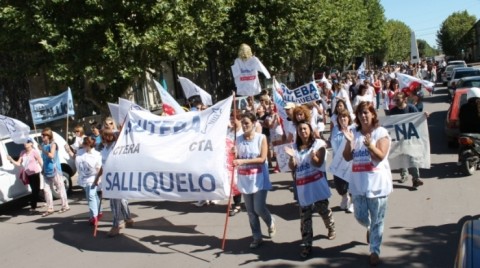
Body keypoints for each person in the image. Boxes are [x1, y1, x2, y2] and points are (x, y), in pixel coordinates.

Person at [342, 101, 393, 266]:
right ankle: (369, 228)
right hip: (358, 184)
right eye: (360, 113)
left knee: (378, 219)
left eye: (366, 112)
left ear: (373, 114)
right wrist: (349, 143)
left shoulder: (381, 132)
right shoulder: (354, 133)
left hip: (377, 184)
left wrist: (370, 145)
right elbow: (347, 157)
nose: (363, 116)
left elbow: (380, 156)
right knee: (360, 216)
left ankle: (374, 251)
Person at [285, 121, 335, 258]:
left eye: (305, 128)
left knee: (323, 210)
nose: (303, 131)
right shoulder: (294, 147)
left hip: (317, 185)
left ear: (310, 130)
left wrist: (314, 157)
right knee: (305, 219)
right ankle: (307, 245)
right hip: (303, 187)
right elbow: (293, 167)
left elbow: (319, 163)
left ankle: (330, 226)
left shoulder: (318, 144)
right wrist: (291, 158)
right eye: (300, 129)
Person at [233, 111, 275, 249]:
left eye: (247, 123)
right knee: (250, 211)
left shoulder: (261, 138)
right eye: (243, 123)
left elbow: (262, 159)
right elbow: (235, 158)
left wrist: (242, 161)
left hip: (259, 179)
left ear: (253, 123)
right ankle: (257, 237)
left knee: (259, 208)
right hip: (245, 179)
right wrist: (233, 153)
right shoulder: (238, 139)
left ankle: (270, 221)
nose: (244, 126)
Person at [94, 128, 134, 237]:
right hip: (109, 179)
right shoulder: (105, 149)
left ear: (109, 136)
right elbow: (103, 165)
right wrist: (97, 178)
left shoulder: (116, 146)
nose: (102, 139)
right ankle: (128, 218)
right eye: (101, 136)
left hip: (117, 178)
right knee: (120, 200)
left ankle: (116, 226)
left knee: (114, 203)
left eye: (104, 136)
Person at [389, 92, 425, 187]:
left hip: (410, 138)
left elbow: (418, 117)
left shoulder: (411, 108)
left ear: (404, 99)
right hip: (398, 139)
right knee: (401, 157)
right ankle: (404, 175)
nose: (396, 102)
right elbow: (388, 123)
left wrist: (424, 115)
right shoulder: (393, 111)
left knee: (412, 157)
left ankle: (416, 178)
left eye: (398, 99)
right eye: (395, 100)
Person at [38, 127, 70, 217]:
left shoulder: (53, 144)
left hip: (55, 169)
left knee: (60, 188)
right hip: (46, 170)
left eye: (44, 135)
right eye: (42, 135)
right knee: (46, 190)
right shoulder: (42, 144)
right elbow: (44, 158)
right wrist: (43, 168)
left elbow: (51, 155)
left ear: (49, 135)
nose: (42, 136)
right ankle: (50, 207)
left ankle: (65, 205)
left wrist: (42, 150)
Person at [7, 138, 43, 215]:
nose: (25, 144)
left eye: (27, 142)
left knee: (35, 190)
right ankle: (34, 206)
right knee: (34, 190)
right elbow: (18, 163)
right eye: (24, 143)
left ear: (31, 144)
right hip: (28, 174)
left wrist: (43, 169)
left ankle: (33, 207)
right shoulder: (22, 152)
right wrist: (11, 159)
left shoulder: (34, 152)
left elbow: (40, 161)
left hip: (35, 173)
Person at [329, 109, 354, 213]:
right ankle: (344, 197)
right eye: (340, 117)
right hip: (337, 160)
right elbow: (331, 142)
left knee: (351, 182)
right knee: (339, 183)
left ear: (349, 118)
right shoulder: (335, 129)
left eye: (345, 117)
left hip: (350, 161)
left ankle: (352, 202)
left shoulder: (353, 129)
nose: (342, 119)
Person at [75, 136, 102, 226]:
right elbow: (75, 158)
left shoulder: (97, 154)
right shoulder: (81, 152)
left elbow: (99, 168)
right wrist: (68, 150)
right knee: (92, 195)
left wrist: (99, 179)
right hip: (84, 178)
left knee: (90, 196)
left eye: (84, 144)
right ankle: (99, 211)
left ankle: (94, 216)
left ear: (89, 145)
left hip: (93, 178)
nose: (83, 145)